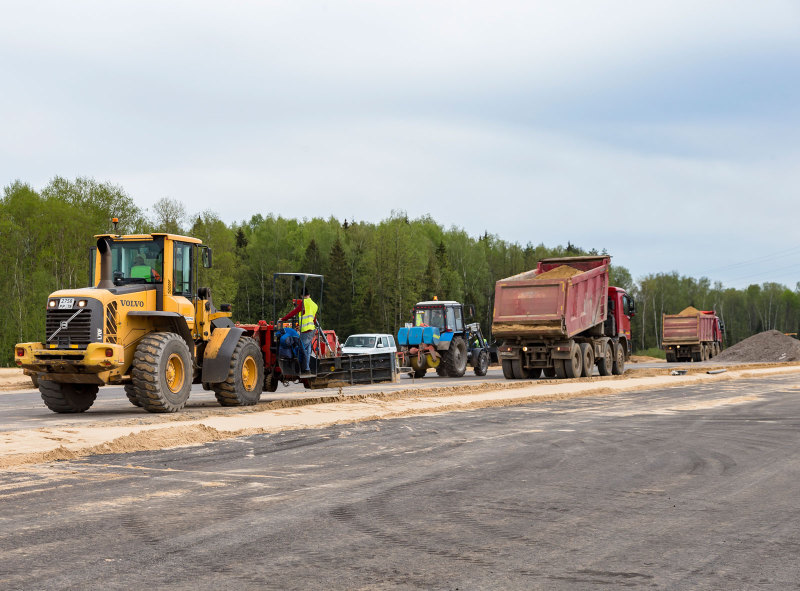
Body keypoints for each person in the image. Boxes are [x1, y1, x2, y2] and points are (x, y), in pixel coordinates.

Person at [280, 288, 318, 374]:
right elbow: (314, 320)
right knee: (307, 350)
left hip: (305, 330)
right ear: (309, 295)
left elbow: (294, 312)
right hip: (312, 330)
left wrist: (283, 319)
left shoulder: (303, 303)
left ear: (301, 296)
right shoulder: (314, 305)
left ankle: (301, 369)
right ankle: (307, 369)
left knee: (301, 349)